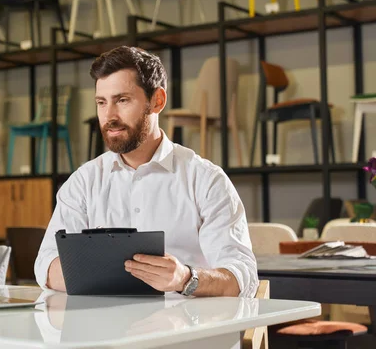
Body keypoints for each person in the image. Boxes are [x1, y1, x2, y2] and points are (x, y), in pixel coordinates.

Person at [34, 46, 258, 298]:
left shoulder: (206, 180)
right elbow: (46, 264)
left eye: (122, 100)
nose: (109, 116)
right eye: (101, 102)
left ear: (157, 101)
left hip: (186, 331)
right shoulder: (83, 182)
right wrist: (110, 278)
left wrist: (185, 278)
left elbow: (241, 277)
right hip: (104, 331)